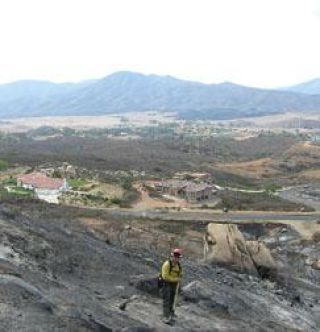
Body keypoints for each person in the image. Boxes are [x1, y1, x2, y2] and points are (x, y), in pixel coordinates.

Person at [160, 248, 183, 324]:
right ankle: (165, 316)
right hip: (166, 283)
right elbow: (165, 277)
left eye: (177, 257)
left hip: (174, 284)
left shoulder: (179, 266)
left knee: (172, 299)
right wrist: (176, 279)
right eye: (175, 256)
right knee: (166, 299)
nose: (176, 258)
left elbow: (180, 275)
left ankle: (171, 313)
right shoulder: (167, 264)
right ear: (172, 256)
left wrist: (178, 279)